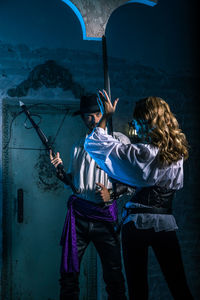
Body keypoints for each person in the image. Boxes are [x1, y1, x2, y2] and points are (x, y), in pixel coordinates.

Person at [84, 90, 194, 300]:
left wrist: (106, 117)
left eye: (139, 121)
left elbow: (94, 144)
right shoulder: (177, 153)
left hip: (136, 224)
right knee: (179, 286)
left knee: (138, 291)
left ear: (147, 120)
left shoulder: (142, 152)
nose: (136, 125)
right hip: (165, 222)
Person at [50, 93, 130, 300]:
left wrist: (112, 193)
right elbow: (75, 185)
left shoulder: (119, 141)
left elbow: (132, 180)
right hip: (79, 218)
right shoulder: (78, 145)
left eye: (98, 114)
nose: (93, 119)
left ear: (104, 114)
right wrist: (61, 174)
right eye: (88, 115)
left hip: (105, 218)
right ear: (82, 118)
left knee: (114, 276)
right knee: (68, 274)